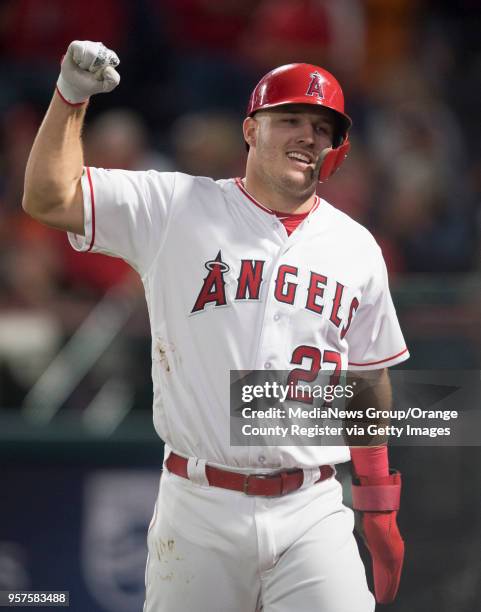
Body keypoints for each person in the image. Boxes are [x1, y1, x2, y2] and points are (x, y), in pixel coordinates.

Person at [23, 41, 408, 612]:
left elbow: (368, 382)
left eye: (323, 127)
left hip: (313, 506)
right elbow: (48, 197)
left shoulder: (356, 248)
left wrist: (377, 501)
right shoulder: (176, 206)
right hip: (199, 504)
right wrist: (70, 97)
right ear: (250, 130)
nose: (309, 135)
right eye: (292, 119)